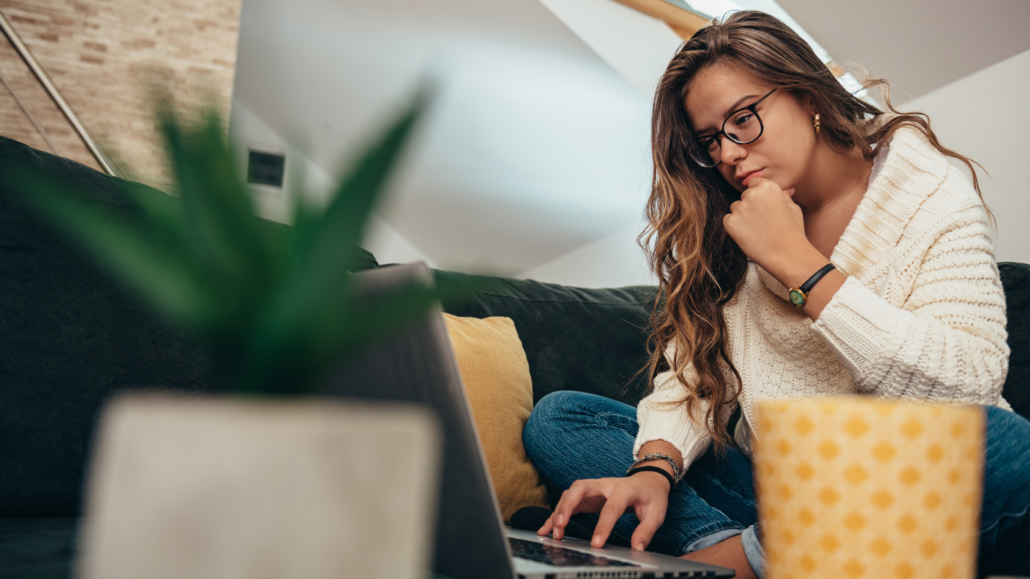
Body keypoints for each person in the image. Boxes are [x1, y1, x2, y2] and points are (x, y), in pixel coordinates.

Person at [522, 10, 1030, 579]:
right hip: (777, 498)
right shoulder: (726, 221)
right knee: (560, 419)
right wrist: (654, 471)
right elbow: (691, 378)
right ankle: (732, 549)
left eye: (744, 119)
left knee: (1004, 447)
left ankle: (728, 562)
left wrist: (800, 266)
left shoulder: (926, 189)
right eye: (710, 140)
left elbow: (966, 388)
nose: (730, 154)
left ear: (807, 94)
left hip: (903, 493)